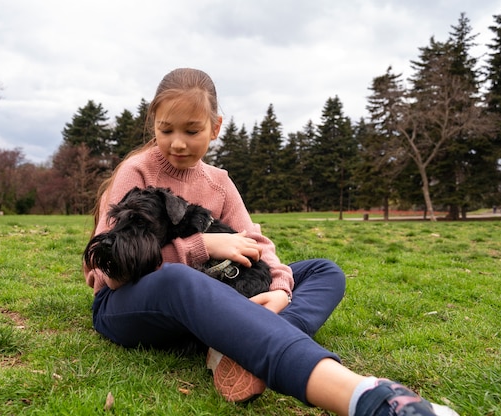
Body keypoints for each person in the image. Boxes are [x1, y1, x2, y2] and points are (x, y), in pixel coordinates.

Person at [84, 68, 458, 416]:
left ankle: (234, 347)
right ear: (154, 124)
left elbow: (258, 243)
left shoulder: (219, 182)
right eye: (166, 131)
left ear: (215, 128)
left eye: (192, 131)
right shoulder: (137, 172)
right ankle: (366, 398)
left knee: (323, 271)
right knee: (181, 279)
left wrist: (280, 289)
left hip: (209, 294)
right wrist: (203, 247)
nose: (177, 143)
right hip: (129, 303)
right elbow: (110, 272)